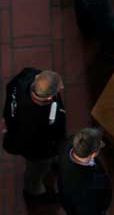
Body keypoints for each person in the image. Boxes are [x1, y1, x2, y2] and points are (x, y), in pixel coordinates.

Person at [2, 69, 66, 200]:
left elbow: (12, 84)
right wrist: (53, 151)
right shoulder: (46, 119)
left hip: (17, 130)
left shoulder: (23, 80)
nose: (62, 87)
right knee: (37, 170)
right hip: (37, 151)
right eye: (60, 87)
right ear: (49, 97)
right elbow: (54, 137)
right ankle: (33, 193)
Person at [58, 128, 112, 215]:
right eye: (100, 144)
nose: (103, 144)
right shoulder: (93, 179)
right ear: (93, 154)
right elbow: (102, 198)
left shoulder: (66, 147)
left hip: (70, 202)